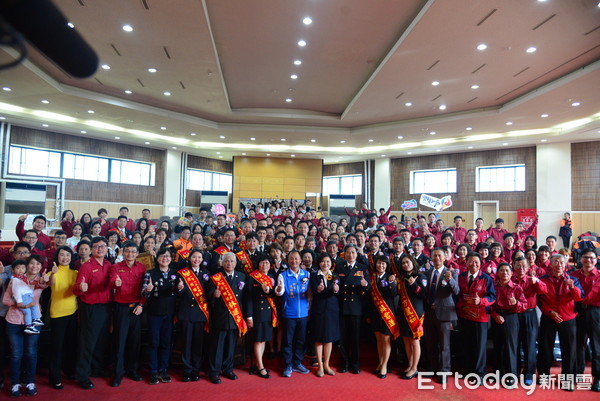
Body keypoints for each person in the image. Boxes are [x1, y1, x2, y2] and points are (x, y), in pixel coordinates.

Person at [2, 255, 49, 397]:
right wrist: (20, 304)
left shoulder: (40, 280)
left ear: (41, 267)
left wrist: (48, 277)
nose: (34, 266)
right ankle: (15, 384)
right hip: (14, 321)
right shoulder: (14, 280)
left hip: (34, 322)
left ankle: (30, 382)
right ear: (25, 266)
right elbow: (5, 300)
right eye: (31, 264)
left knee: (31, 353)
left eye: (37, 264)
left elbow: (45, 283)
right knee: (16, 355)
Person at [537, 254, 584, 390]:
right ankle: (543, 376)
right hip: (549, 317)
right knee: (545, 348)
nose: (558, 264)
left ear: (565, 265)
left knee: (569, 350)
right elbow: (539, 300)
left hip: (568, 318)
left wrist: (572, 288)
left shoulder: (573, 279)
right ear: (550, 264)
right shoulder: (543, 279)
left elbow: (580, 297)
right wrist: (549, 312)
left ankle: (567, 380)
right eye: (555, 262)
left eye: (561, 262)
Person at [73, 236, 113, 389]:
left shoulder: (109, 265)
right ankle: (82, 375)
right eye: (96, 246)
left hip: (105, 307)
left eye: (102, 246)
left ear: (107, 248)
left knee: (101, 340)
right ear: (91, 249)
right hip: (90, 307)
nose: (100, 249)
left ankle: (97, 368)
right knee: (87, 342)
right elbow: (77, 288)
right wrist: (80, 288)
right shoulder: (87, 266)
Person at [109, 241, 146, 387]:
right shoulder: (116, 267)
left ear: (137, 253)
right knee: (120, 342)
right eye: (127, 251)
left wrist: (142, 304)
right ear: (123, 253)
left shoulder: (142, 267)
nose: (130, 254)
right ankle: (118, 373)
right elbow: (111, 282)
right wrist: (115, 283)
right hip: (121, 309)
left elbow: (145, 288)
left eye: (133, 252)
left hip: (136, 309)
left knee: (134, 343)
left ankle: (133, 370)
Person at [207, 252, 247, 384]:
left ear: (236, 263)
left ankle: (228, 369)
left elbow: (244, 299)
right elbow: (207, 297)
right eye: (227, 261)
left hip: (235, 318)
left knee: (231, 346)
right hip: (220, 317)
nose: (229, 264)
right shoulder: (215, 278)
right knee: (217, 346)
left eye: (232, 261)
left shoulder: (241, 276)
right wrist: (214, 295)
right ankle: (214, 372)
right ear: (222, 263)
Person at [456, 252, 496, 381]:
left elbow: (492, 297)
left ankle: (479, 373)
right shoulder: (460, 277)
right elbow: (457, 295)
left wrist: (481, 301)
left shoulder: (486, 278)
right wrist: (462, 306)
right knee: (466, 344)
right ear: (466, 263)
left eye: (477, 262)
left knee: (479, 346)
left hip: (480, 317)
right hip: (464, 315)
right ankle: (468, 370)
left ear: (481, 264)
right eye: (471, 262)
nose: (474, 264)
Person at [142, 247, 178, 385]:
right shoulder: (150, 274)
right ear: (157, 259)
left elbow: (178, 295)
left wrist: (180, 289)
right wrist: (147, 290)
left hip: (169, 314)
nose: (165, 258)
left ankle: (163, 370)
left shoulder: (175, 273)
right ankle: (153, 371)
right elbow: (144, 295)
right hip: (154, 313)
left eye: (167, 256)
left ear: (171, 258)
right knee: (153, 342)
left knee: (166, 343)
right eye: (162, 256)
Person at [424, 248, 458, 384]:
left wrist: (450, 280)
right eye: (434, 256)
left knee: (444, 345)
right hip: (429, 313)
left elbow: (456, 291)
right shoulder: (427, 273)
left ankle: (444, 371)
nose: (437, 258)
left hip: (444, 314)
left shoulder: (451, 273)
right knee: (430, 343)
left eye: (439, 256)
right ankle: (432, 368)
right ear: (431, 258)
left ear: (444, 258)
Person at [511, 256, 547, 385]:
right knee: (513, 344)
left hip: (529, 315)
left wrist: (536, 281)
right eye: (518, 266)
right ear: (514, 266)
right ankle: (514, 372)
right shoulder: (510, 279)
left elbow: (544, 290)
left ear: (528, 267)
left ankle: (529, 373)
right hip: (514, 315)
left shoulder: (532, 280)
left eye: (524, 266)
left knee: (529, 345)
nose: (521, 268)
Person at [177, 248, 211, 382]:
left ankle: (196, 370)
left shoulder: (206, 274)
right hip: (186, 313)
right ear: (189, 259)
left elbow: (208, 294)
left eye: (199, 258)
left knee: (198, 344)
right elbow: (179, 293)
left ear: (202, 260)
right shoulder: (183, 274)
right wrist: (180, 289)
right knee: (186, 343)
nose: (196, 260)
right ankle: (186, 370)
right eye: (194, 257)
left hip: (200, 313)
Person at [490, 263, 527, 387]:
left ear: (511, 273)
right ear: (498, 273)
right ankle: (497, 373)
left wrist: (516, 303)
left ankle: (511, 375)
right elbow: (490, 304)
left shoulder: (517, 288)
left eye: (507, 271)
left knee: (511, 347)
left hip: (511, 317)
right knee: (498, 346)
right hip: (497, 317)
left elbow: (524, 305)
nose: (504, 273)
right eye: (501, 270)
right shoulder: (493, 286)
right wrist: (495, 316)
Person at [47, 247, 79, 390]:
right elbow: (50, 283)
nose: (65, 258)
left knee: (71, 345)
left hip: (73, 313)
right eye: (62, 255)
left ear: (71, 258)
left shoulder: (76, 273)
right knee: (57, 347)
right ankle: (54, 377)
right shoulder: (52, 272)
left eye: (67, 255)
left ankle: (69, 371)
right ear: (57, 257)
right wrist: (52, 274)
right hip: (58, 314)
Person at [275, 250, 311, 377]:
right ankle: (288, 364)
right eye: (291, 259)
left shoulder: (307, 274)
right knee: (288, 341)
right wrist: (279, 289)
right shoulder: (283, 275)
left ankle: (297, 363)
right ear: (288, 260)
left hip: (304, 314)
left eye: (296, 259)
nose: (294, 261)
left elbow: (310, 294)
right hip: (289, 313)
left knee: (301, 340)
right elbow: (279, 291)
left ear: (300, 260)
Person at [337, 244, 370, 374]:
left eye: (353, 253)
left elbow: (368, 288)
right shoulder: (339, 267)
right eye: (348, 253)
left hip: (356, 306)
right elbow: (336, 282)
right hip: (343, 306)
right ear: (344, 254)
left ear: (357, 254)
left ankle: (355, 363)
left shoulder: (362, 268)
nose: (351, 255)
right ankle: (344, 362)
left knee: (355, 337)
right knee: (343, 337)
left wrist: (365, 284)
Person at [570, 249, 599, 392]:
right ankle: (578, 373)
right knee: (578, 344)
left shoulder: (599, 276)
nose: (588, 260)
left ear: (596, 259)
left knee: (596, 346)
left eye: (592, 258)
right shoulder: (573, 275)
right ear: (581, 259)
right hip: (577, 311)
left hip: (595, 313)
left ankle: (597, 379)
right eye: (585, 258)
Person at [245, 254, 277, 379]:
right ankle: (260, 367)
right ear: (258, 264)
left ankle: (260, 363)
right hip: (257, 313)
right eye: (262, 263)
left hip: (268, 314)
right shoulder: (252, 278)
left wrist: (268, 291)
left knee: (263, 339)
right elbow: (248, 299)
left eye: (267, 263)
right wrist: (249, 316)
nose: (265, 265)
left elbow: (275, 295)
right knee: (258, 340)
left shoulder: (272, 277)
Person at [396, 254, 427, 380]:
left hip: (415, 312)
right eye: (403, 263)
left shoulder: (420, 276)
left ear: (412, 262)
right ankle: (410, 365)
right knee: (406, 340)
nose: (405, 265)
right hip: (403, 311)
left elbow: (424, 295)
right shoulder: (402, 278)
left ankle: (415, 368)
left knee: (414, 341)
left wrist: (414, 285)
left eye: (407, 262)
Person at [309, 253, 339, 377]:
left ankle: (326, 364)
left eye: (327, 261)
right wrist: (319, 290)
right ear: (319, 263)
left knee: (329, 338)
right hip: (318, 309)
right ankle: (320, 365)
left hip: (332, 310)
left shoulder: (335, 276)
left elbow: (336, 291)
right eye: (323, 261)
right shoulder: (314, 275)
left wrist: (337, 290)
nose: (325, 264)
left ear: (331, 263)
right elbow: (314, 291)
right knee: (319, 337)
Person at [9, 260, 44, 334]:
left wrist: (30, 294)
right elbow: (16, 291)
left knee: (33, 307)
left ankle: (34, 320)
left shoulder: (22, 278)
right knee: (28, 311)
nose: (20, 270)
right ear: (13, 270)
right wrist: (19, 302)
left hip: (27, 296)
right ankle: (30, 325)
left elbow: (25, 288)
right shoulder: (15, 279)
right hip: (22, 298)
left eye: (22, 268)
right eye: (18, 268)